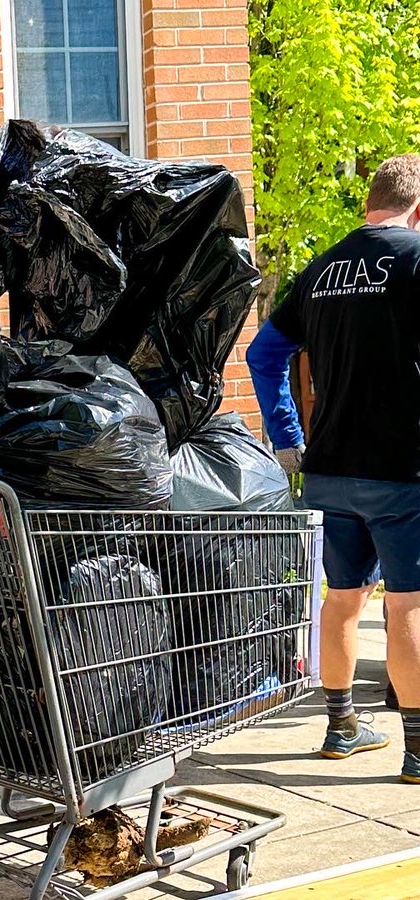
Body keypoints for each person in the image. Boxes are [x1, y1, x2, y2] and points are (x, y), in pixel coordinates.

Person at [247, 152, 420, 786]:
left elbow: (264, 355)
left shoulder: (321, 270)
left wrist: (289, 440)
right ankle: (419, 751)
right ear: (418, 209)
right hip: (403, 468)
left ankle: (342, 726)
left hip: (328, 468)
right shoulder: (415, 259)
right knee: (409, 605)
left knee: (343, 597)